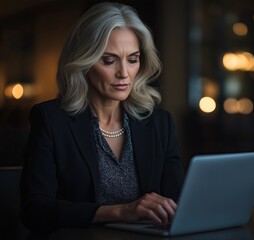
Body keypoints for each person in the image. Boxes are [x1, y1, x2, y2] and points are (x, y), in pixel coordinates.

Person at [20, 2, 184, 234]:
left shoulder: (160, 123)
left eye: (133, 59)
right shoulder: (50, 119)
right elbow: (34, 210)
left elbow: (176, 202)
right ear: (84, 61)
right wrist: (121, 211)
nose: (124, 73)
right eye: (109, 60)